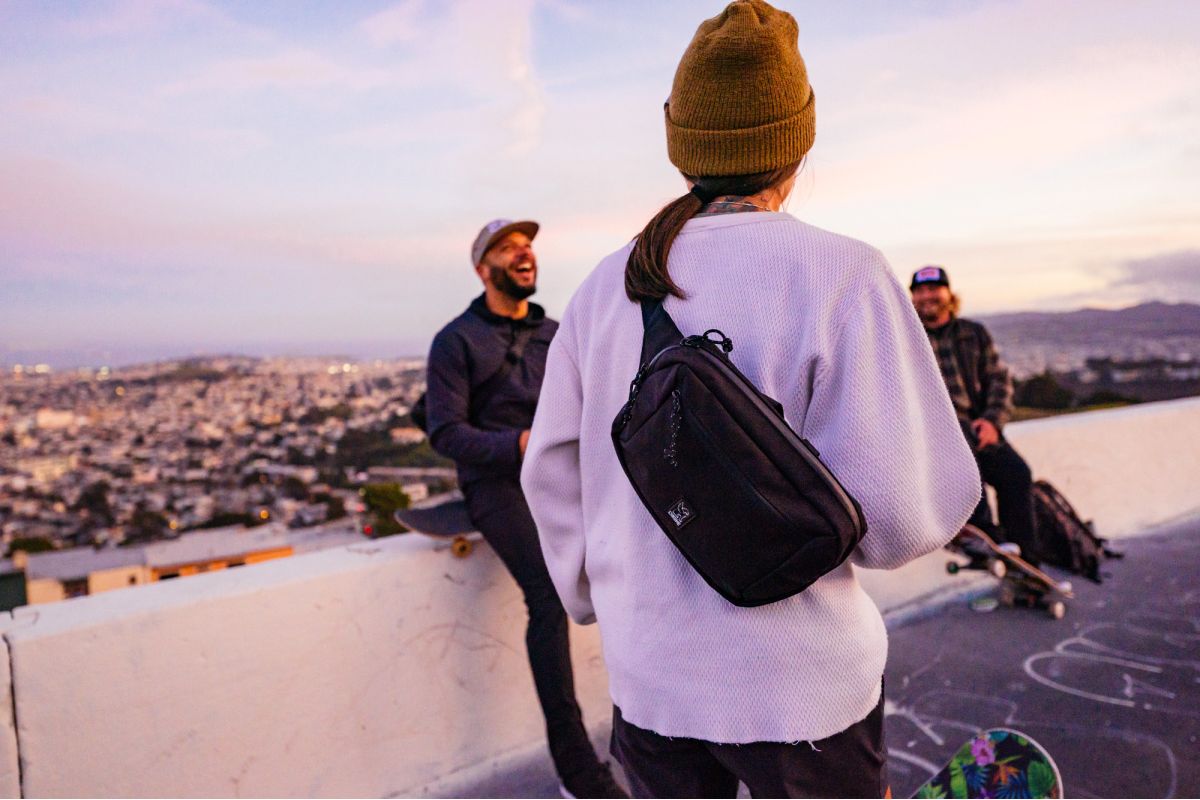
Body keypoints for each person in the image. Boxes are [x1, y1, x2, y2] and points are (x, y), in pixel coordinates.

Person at [520, 2, 981, 797]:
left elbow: (551, 472)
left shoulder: (603, 290)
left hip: (651, 677)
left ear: (681, 145)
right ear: (797, 142)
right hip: (799, 686)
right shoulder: (843, 276)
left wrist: (607, 598)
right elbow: (902, 520)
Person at [424, 219, 627, 798]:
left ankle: (647, 731)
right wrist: (517, 444)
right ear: (483, 269)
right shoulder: (456, 341)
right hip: (497, 486)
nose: (524, 253)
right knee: (548, 593)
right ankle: (577, 772)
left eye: (527, 245)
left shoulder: (554, 333)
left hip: (564, 477)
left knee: (628, 565)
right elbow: (446, 432)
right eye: (508, 247)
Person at [910, 265, 1042, 564]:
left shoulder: (973, 334)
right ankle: (985, 536)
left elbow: (998, 380)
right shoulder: (907, 337)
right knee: (965, 454)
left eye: (934, 289)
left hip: (978, 428)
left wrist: (992, 422)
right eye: (920, 291)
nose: (927, 296)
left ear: (949, 294)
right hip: (936, 435)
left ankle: (1026, 561)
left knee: (1017, 474)